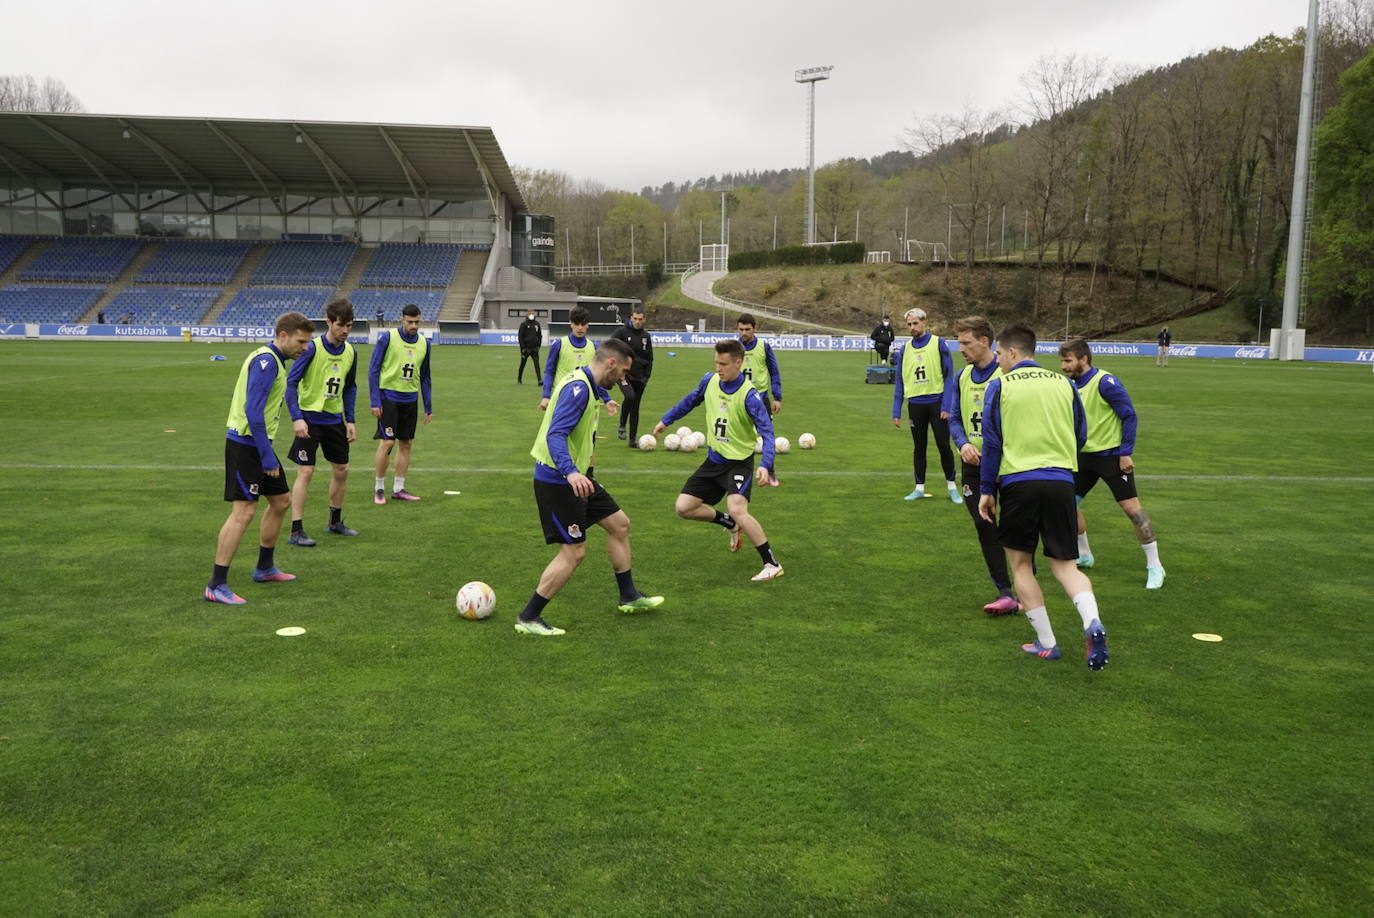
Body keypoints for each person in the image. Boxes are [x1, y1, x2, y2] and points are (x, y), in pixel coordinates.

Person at [977, 324, 1109, 670]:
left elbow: (992, 443)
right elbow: (1081, 434)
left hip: (1019, 481)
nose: (998, 361)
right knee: (1066, 566)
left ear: (1012, 352)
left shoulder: (1000, 385)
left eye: (1000, 354)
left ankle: (1047, 643)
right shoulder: (1065, 384)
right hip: (1061, 481)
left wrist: (987, 490)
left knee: (1021, 565)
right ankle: (1092, 621)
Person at [517, 338, 664, 636]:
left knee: (620, 525)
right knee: (573, 552)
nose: (623, 379)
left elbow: (591, 393)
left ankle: (628, 595)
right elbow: (556, 434)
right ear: (611, 363)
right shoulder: (578, 390)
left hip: (579, 478)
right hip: (559, 480)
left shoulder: (586, 381)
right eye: (623, 372)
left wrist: (605, 399)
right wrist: (571, 472)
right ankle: (529, 617)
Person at [204, 311, 315, 604]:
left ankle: (264, 568)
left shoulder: (274, 360)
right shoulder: (267, 362)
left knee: (281, 501)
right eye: (301, 342)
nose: (305, 348)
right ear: (283, 336)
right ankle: (216, 585)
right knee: (243, 513)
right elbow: (253, 413)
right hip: (246, 445)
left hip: (258, 444)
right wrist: (267, 457)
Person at [653, 339, 784, 582]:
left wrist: (765, 465)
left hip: (738, 463)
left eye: (723, 364)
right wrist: (666, 420)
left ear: (738, 363)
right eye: (716, 363)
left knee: (737, 508)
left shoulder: (750, 396)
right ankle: (729, 524)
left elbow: (767, 433)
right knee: (683, 507)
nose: (718, 368)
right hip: (713, 461)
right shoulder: (709, 381)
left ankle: (772, 563)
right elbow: (689, 401)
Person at [1059, 338, 1166, 590]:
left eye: (1068, 361)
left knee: (1132, 510)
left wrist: (1125, 452)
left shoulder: (1105, 382)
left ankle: (1155, 566)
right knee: (1067, 505)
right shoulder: (1068, 384)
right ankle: (1084, 554)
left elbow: (1129, 415)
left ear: (1083, 359)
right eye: (1062, 361)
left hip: (1111, 456)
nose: (1063, 366)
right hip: (1082, 457)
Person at [944, 316, 1020, 615]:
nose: (961, 349)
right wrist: (963, 443)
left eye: (966, 343)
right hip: (973, 466)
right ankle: (1005, 590)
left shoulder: (1006, 375)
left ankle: (1026, 581)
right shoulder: (962, 376)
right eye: (959, 342)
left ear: (985, 341)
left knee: (1014, 526)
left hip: (1006, 463)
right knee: (983, 523)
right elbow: (954, 417)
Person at [285, 298, 360, 547]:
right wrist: (297, 417)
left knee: (342, 469)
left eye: (349, 325)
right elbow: (291, 383)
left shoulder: (351, 352)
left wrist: (350, 419)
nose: (345, 330)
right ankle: (296, 530)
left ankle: (334, 522)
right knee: (306, 472)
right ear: (328, 322)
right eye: (341, 325)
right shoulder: (312, 349)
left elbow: (350, 387)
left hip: (334, 419)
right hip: (309, 419)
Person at [891, 307, 959, 503]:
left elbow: (949, 375)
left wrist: (946, 406)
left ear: (924, 323)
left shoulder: (939, 343)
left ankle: (952, 487)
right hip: (915, 405)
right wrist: (896, 410)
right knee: (919, 447)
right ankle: (919, 488)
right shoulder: (905, 349)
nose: (912, 327)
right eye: (909, 324)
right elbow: (899, 380)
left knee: (943, 445)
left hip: (937, 404)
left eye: (915, 323)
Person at [369, 304, 431, 504]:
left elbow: (425, 376)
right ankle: (379, 488)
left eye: (417, 322)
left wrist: (428, 406)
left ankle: (398, 488)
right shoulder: (388, 338)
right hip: (389, 398)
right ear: (402, 319)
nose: (414, 326)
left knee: (406, 443)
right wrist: (375, 400)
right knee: (387, 442)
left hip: (410, 399)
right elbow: (373, 369)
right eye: (410, 322)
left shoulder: (424, 343)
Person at [539, 305, 615, 416]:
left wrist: (607, 399)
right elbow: (549, 371)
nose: (580, 328)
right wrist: (546, 396)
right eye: (576, 324)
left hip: (585, 400)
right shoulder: (559, 344)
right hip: (562, 398)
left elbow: (596, 377)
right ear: (571, 324)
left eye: (583, 324)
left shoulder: (593, 347)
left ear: (587, 325)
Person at [611, 306, 654, 447]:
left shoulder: (646, 336)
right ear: (631, 318)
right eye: (635, 319)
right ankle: (622, 425)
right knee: (629, 396)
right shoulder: (622, 332)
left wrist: (647, 376)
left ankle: (632, 440)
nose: (637, 322)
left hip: (640, 377)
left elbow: (649, 358)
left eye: (640, 319)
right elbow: (610, 347)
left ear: (644, 319)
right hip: (623, 374)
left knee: (635, 407)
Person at [516, 311, 542, 384]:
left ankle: (539, 380)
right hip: (526, 349)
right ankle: (519, 379)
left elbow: (539, 335)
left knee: (537, 365)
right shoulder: (523, 324)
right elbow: (520, 337)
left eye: (533, 314)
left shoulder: (537, 324)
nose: (531, 316)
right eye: (530, 314)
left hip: (534, 349)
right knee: (523, 364)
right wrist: (523, 348)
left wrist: (538, 346)